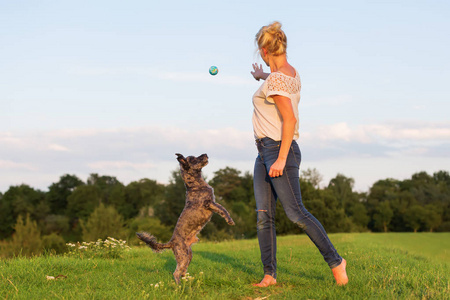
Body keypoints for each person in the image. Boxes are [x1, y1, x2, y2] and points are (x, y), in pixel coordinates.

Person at [250, 21, 348, 287]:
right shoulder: (286, 74)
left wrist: (281, 159)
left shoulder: (278, 78)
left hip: (279, 150)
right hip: (264, 152)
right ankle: (269, 274)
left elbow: (289, 120)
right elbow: (279, 89)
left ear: (263, 50)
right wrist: (262, 78)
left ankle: (336, 261)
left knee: (296, 213)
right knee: (263, 215)